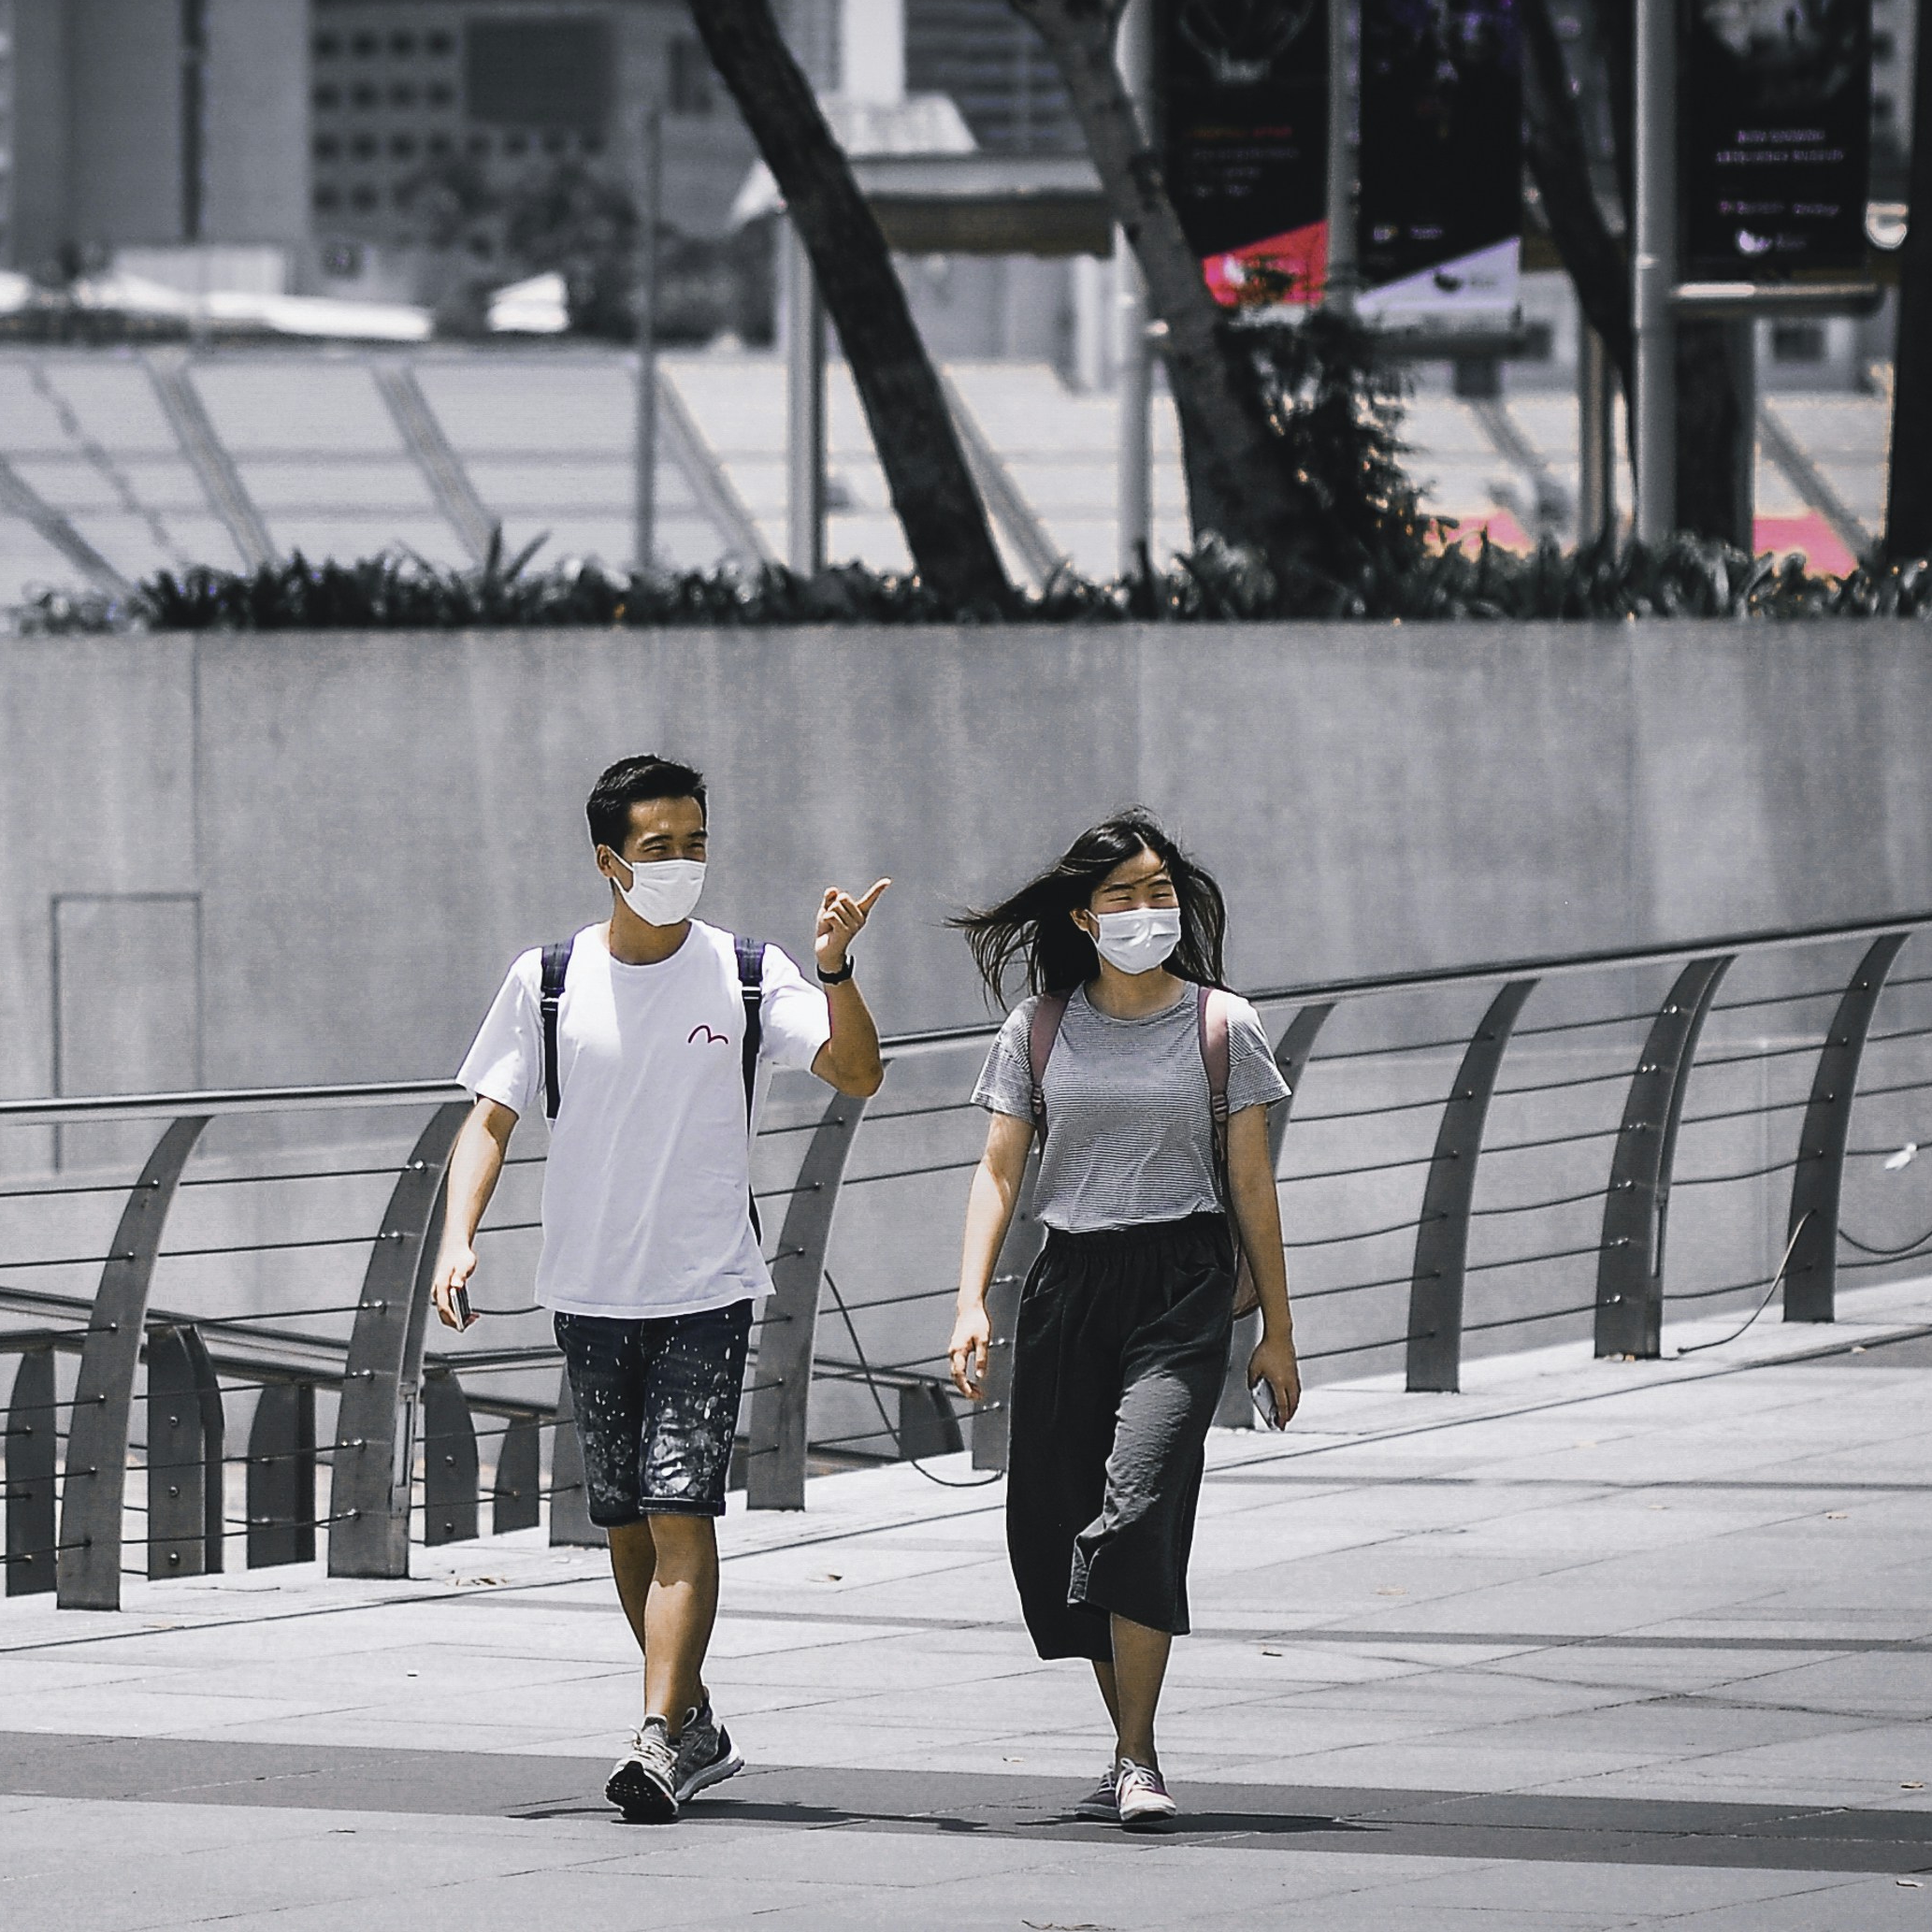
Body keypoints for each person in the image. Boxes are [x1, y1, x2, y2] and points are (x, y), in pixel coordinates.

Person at [432, 754, 887, 1824]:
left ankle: (652, 1738)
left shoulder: (746, 971)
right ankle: (694, 1721)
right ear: (610, 860)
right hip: (589, 1292)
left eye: (696, 843)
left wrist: (835, 970)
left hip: (705, 1288)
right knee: (627, 1523)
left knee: (680, 1508)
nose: (682, 862)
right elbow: (489, 1117)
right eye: (658, 847)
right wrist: (457, 1238)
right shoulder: (548, 979)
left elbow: (858, 1072)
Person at [945, 809, 1302, 1833]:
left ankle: (1138, 1756)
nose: (1147, 911)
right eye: (1123, 895)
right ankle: (1124, 1744)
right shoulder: (1039, 1028)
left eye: (1161, 892)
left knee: (1137, 1506)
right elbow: (999, 1170)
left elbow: (1253, 1182)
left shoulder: (1224, 1024)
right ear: (1082, 914)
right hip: (1070, 1284)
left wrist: (1278, 1330)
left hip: (1183, 1282)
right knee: (1061, 1525)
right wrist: (969, 1299)